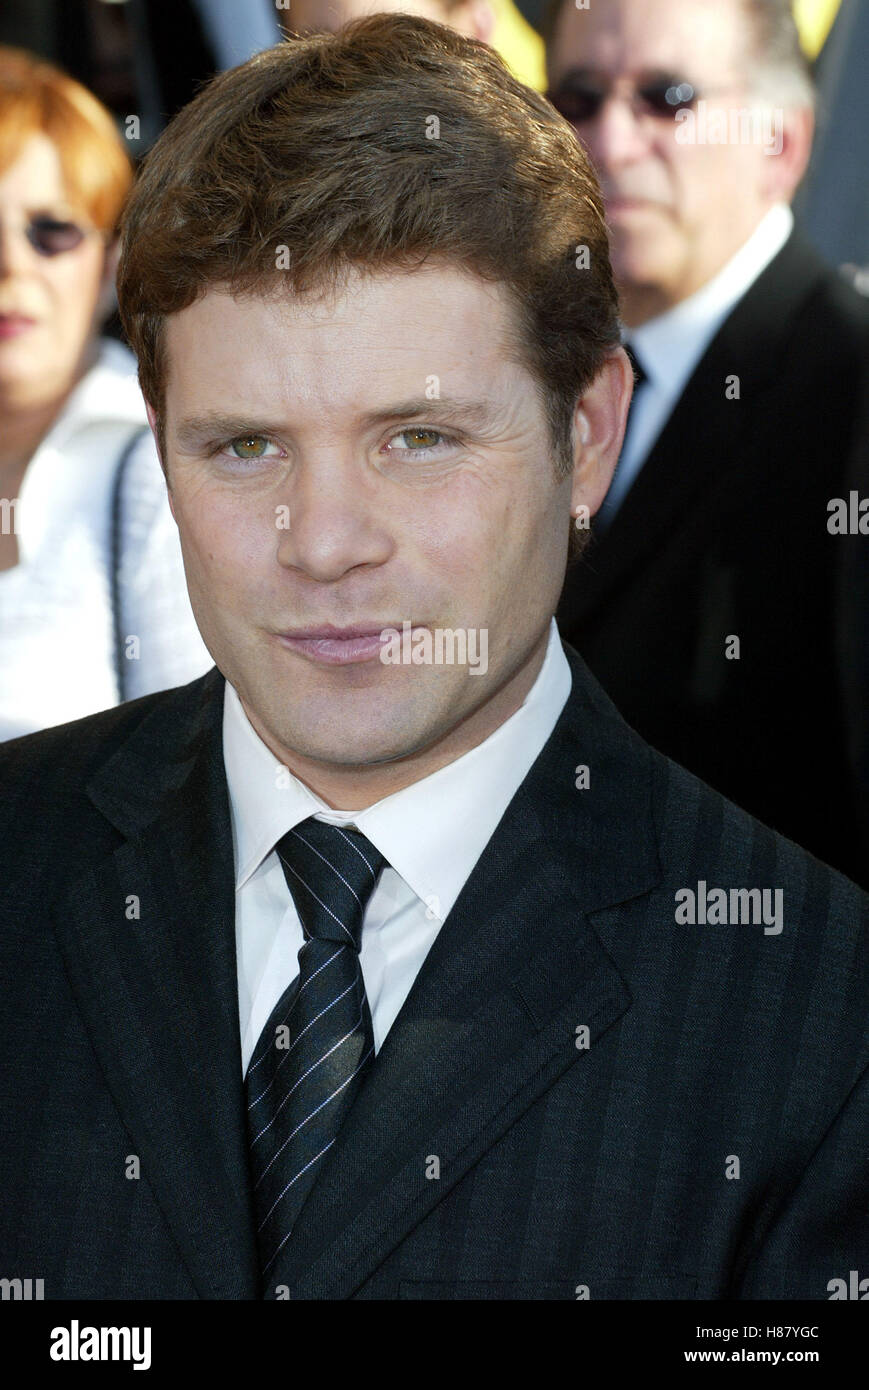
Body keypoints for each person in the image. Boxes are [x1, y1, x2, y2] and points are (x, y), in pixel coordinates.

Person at [0, 15, 866, 1302]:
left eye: (416, 438)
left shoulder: (817, 1012)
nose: (326, 543)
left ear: (585, 435)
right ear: (160, 442)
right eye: (244, 446)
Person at [546, 0, 869, 885]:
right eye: (575, 98)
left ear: (781, 142)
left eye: (668, 96)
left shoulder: (851, 399)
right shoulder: (530, 379)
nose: (610, 143)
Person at [0, 47, 211, 740]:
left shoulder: (164, 457)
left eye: (51, 232)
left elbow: (190, 771)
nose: (12, 267)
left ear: (108, 266)